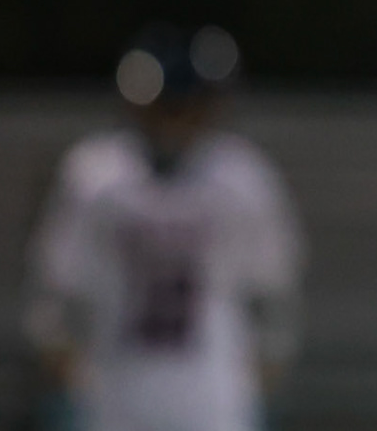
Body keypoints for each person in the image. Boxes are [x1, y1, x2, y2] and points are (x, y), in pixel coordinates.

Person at [23, 23, 305, 431]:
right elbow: (56, 294)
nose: (175, 119)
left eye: (187, 105)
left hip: (212, 397)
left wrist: (258, 378)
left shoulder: (242, 179)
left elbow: (274, 296)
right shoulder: (97, 176)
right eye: (167, 105)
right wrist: (73, 377)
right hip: (117, 393)